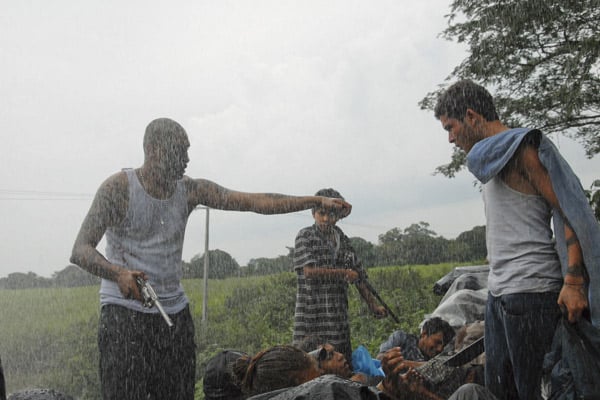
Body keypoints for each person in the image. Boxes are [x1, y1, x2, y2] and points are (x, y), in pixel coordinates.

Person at [69, 118, 352, 400]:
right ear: (154, 150)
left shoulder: (190, 190)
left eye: (188, 151)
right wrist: (118, 274)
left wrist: (313, 202)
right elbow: (81, 249)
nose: (187, 160)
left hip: (173, 314)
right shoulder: (119, 188)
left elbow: (256, 202)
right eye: (181, 151)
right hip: (124, 314)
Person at [433, 79, 600, 399]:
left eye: (450, 128)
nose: (451, 138)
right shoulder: (490, 159)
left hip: (532, 293)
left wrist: (575, 281)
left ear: (471, 116)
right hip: (500, 296)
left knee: (532, 391)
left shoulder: (523, 149)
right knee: (501, 390)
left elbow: (567, 209)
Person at [292, 188, 387, 364]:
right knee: (310, 363)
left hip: (337, 316)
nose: (327, 219)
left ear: (339, 216)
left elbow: (359, 277)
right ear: (313, 213)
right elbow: (309, 272)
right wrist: (344, 273)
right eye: (322, 213)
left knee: (341, 364)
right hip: (312, 314)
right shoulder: (305, 236)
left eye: (333, 214)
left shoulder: (343, 240)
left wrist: (373, 306)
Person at [377, 317, 455, 368]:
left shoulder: (439, 358)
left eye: (443, 345)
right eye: (437, 342)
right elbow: (381, 359)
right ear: (424, 334)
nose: (440, 349)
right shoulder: (402, 338)